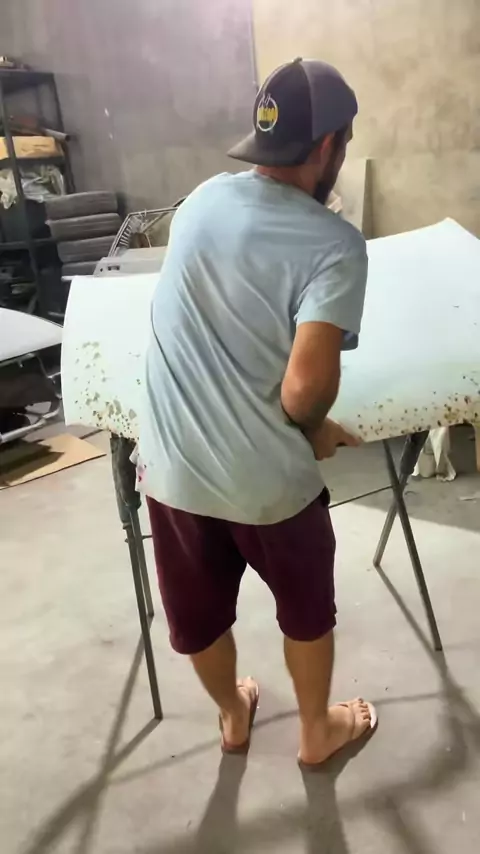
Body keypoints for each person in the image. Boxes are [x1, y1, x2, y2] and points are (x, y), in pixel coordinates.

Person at [137, 58, 375, 765]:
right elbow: (303, 392)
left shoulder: (201, 200)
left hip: (171, 468)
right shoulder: (334, 244)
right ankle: (316, 732)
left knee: (199, 612)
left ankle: (233, 715)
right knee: (305, 605)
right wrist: (318, 429)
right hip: (267, 484)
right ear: (329, 146)